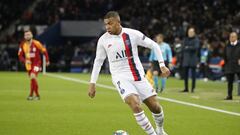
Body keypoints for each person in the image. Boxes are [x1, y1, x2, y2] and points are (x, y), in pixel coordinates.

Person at [88, 11, 170, 135]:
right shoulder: (103, 40)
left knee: (155, 107)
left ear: (118, 22)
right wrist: (92, 83)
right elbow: (98, 61)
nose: (107, 27)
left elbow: (154, 45)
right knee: (135, 104)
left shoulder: (132, 34)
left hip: (138, 76)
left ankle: (160, 130)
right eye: (106, 24)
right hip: (120, 77)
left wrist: (162, 65)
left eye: (110, 24)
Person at [18, 30, 50, 100]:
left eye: (28, 35)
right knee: (32, 79)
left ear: (32, 35)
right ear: (24, 36)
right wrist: (25, 60)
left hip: (37, 64)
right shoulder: (22, 45)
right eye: (26, 35)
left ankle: (37, 95)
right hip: (28, 65)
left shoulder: (36, 43)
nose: (27, 36)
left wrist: (47, 60)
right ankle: (31, 95)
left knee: (32, 76)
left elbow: (44, 51)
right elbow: (20, 56)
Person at [181, 27, 200, 93]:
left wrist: (188, 47)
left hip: (193, 59)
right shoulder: (185, 39)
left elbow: (196, 47)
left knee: (193, 75)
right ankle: (186, 88)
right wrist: (189, 47)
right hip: (186, 59)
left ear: (194, 33)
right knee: (185, 75)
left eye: (191, 32)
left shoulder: (196, 40)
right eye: (189, 32)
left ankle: (193, 88)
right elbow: (183, 47)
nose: (190, 33)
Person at [223, 32, 240, 100]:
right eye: (230, 37)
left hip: (238, 65)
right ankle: (229, 95)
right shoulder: (227, 45)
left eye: (233, 37)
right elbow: (224, 55)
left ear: (236, 37)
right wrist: (226, 63)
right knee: (230, 82)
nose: (231, 38)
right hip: (229, 65)